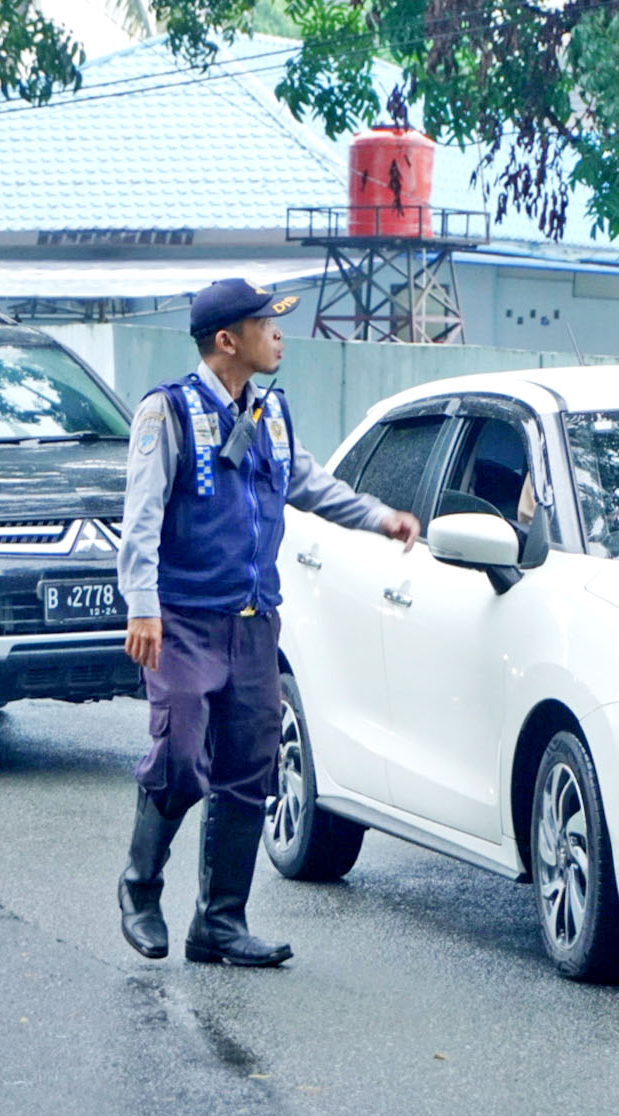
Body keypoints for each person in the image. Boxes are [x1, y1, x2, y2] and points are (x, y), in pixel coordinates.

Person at [116, 279, 420, 968]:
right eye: (266, 324)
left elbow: (305, 481)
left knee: (249, 770)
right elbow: (139, 517)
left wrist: (378, 516)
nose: (279, 334)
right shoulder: (167, 412)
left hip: (254, 622)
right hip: (183, 620)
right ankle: (139, 887)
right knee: (179, 756)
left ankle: (219, 923)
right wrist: (142, 606)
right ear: (228, 341)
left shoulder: (271, 410)